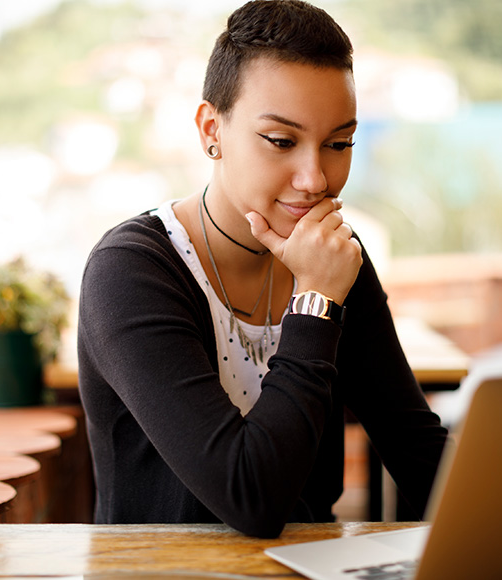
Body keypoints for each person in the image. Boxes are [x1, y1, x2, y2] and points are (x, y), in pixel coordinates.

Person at [77, 0, 447, 539]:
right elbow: (251, 498)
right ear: (212, 130)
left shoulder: (335, 256)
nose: (315, 178)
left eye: (339, 143)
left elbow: (412, 444)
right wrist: (316, 301)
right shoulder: (130, 273)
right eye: (281, 141)